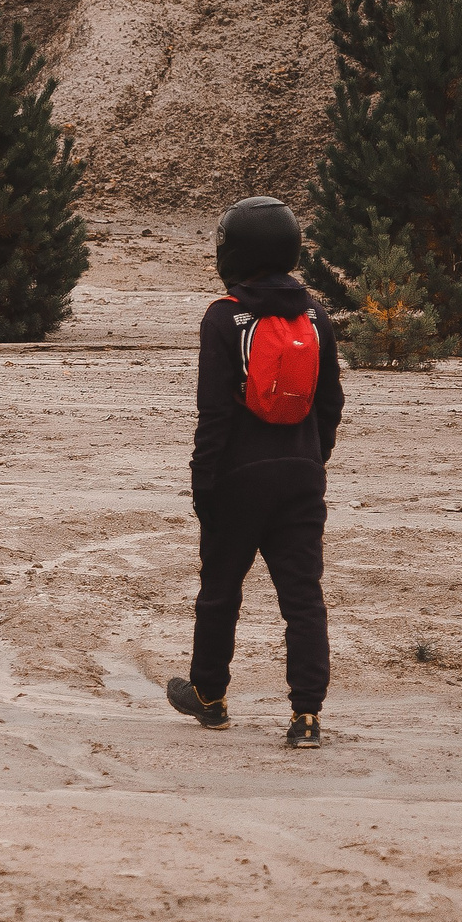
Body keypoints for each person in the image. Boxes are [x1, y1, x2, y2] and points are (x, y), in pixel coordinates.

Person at [167, 196, 345, 747]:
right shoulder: (315, 315)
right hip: (301, 475)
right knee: (302, 598)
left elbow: (214, 411)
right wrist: (312, 460)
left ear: (235, 252)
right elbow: (330, 403)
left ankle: (210, 697)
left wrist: (203, 483)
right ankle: (306, 716)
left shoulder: (223, 316)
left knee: (221, 591)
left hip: (240, 477)